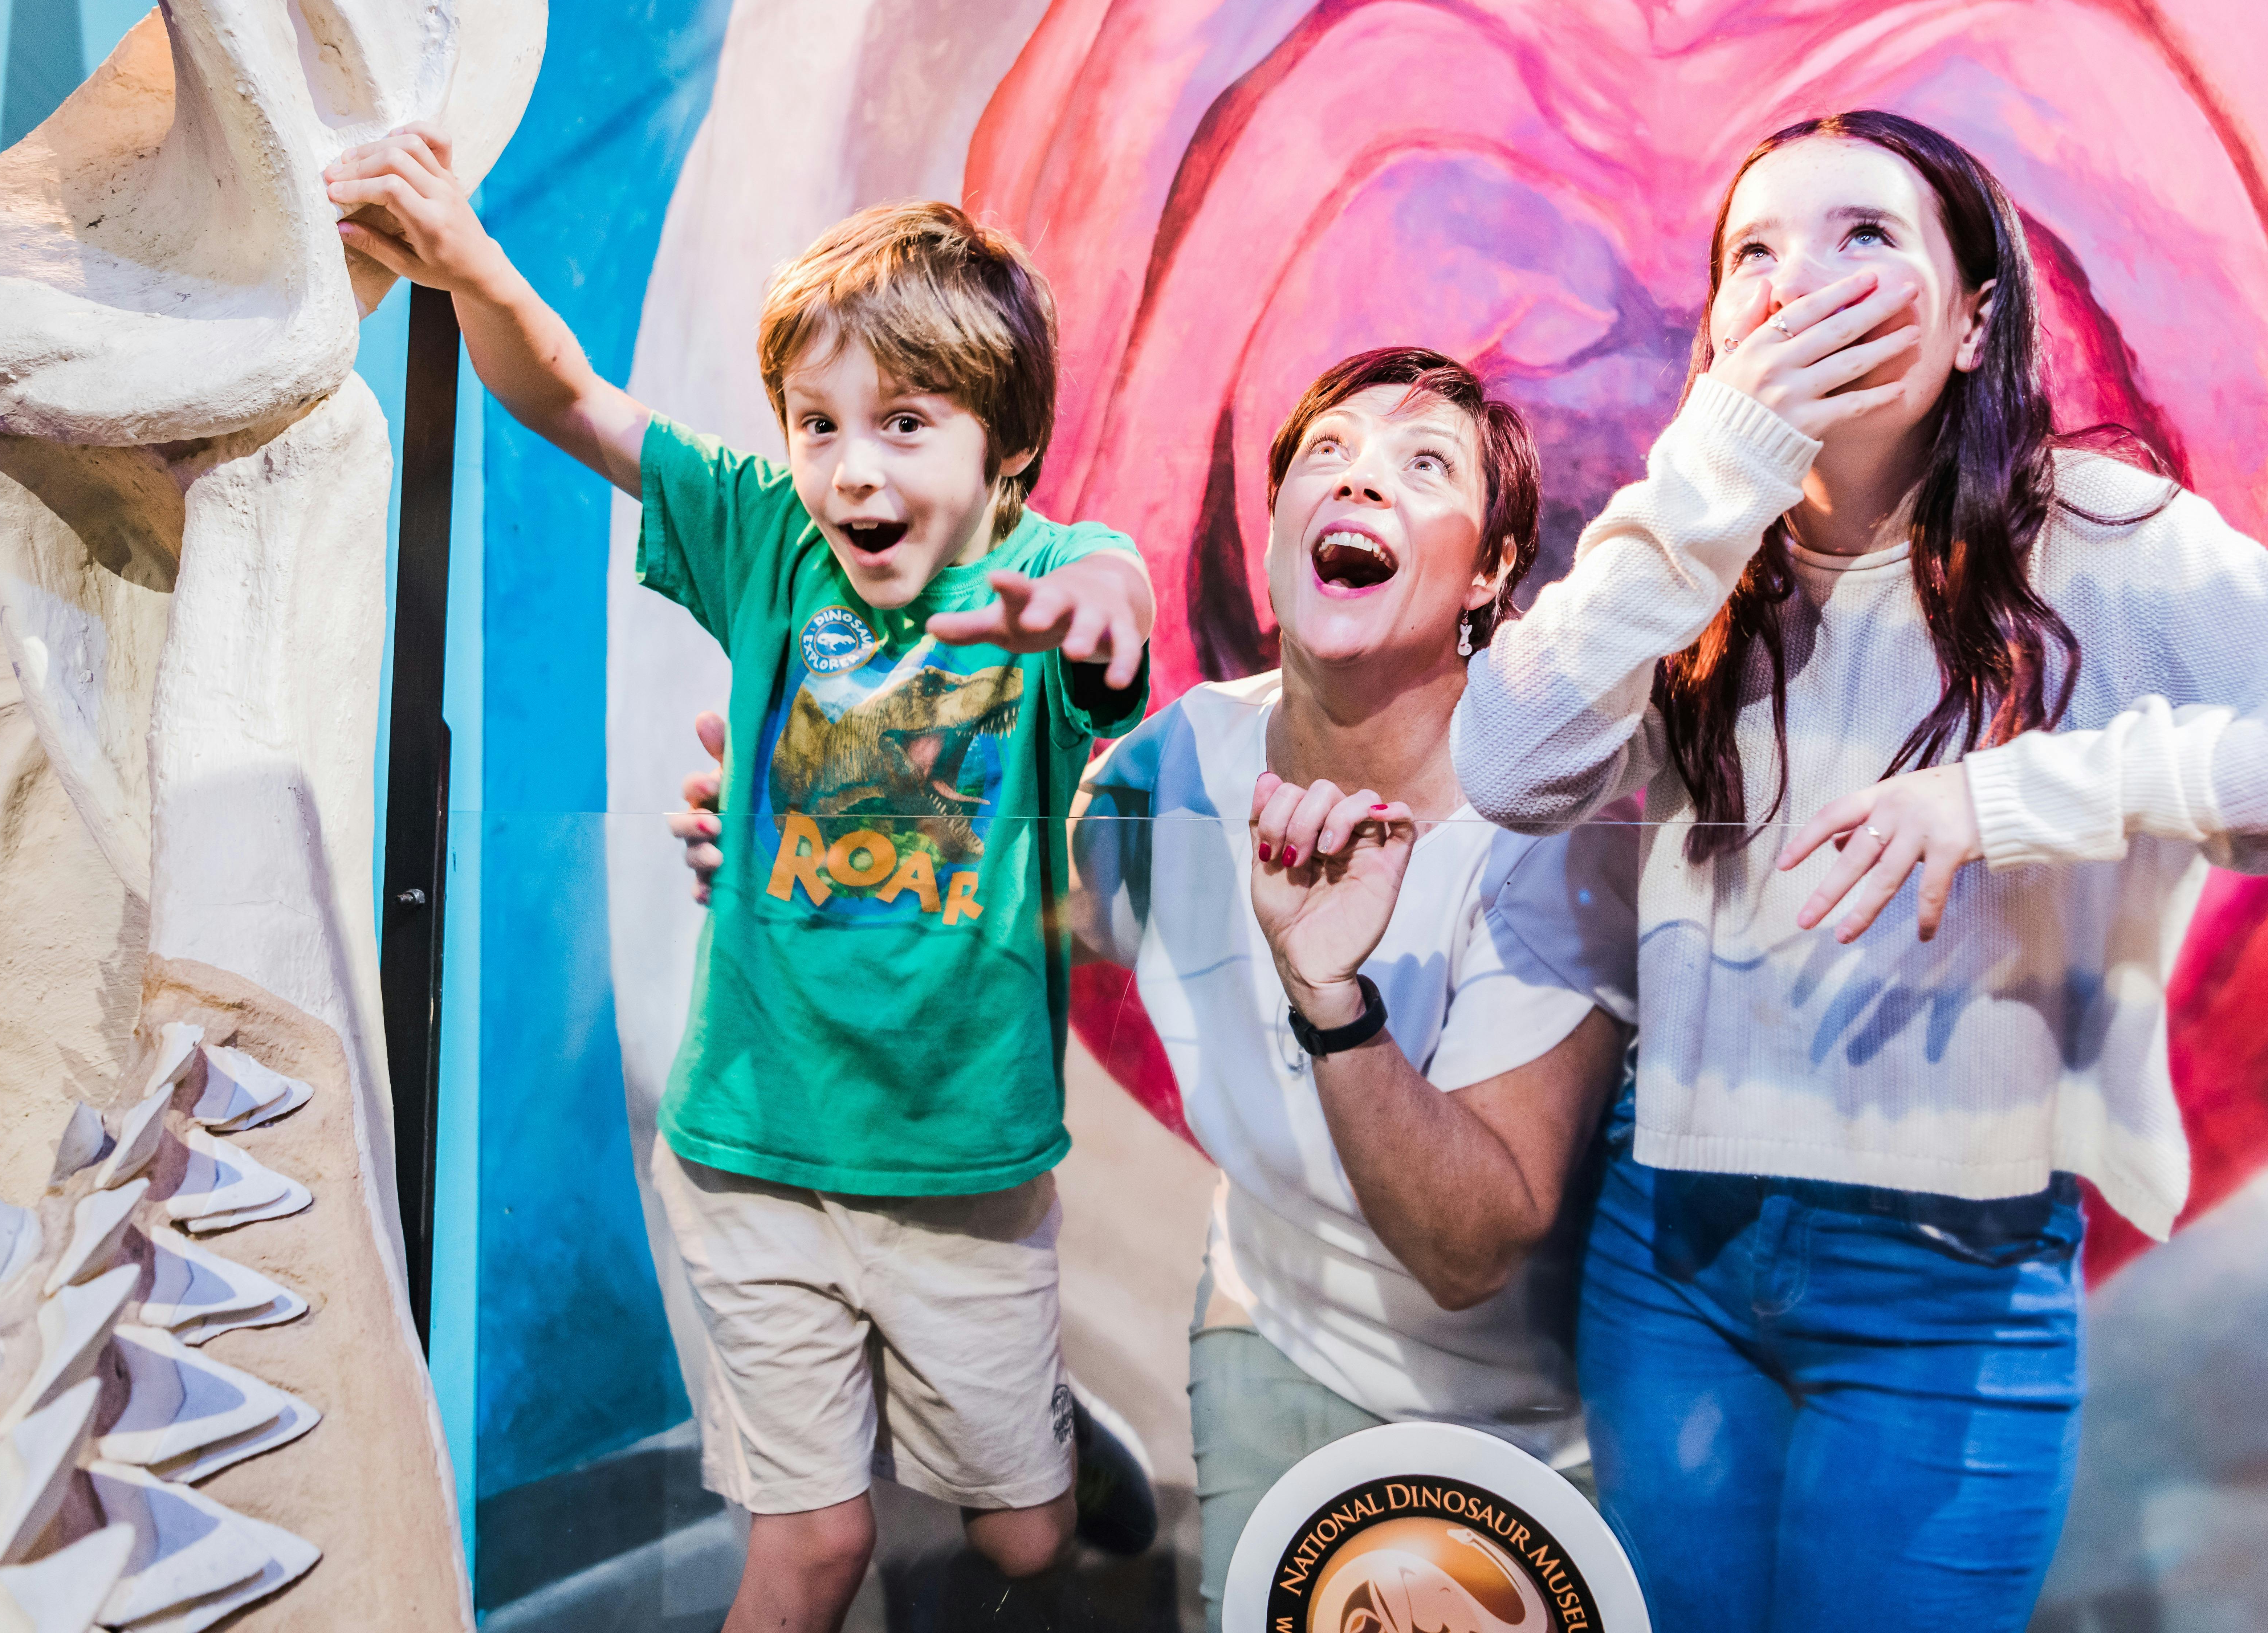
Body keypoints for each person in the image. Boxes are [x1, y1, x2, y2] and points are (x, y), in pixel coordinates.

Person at [1449, 111, 2268, 1632]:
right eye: (1756, 252)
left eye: (1865, 238)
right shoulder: (1683, 557)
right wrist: (1711, 478)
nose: (1802, 283)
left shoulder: (2101, 539)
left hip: (1949, 1280)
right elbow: (1509, 766)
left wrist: (2011, 796)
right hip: (1672, 1249)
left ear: (1971, 321)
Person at [325, 132, 1156, 1633]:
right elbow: (573, 399)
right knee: (814, 1546)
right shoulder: (772, 539)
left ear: (1006, 449)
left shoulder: (1047, 571)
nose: (853, 468)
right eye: (817, 424)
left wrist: (1096, 611)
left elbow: (1116, 594)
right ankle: (926, 1417)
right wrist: (467, 267)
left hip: (958, 1169)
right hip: (753, 1150)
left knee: (1027, 1542)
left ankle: (1028, 1424)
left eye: (905, 423)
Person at [674, 347, 1636, 1620]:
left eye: (1424, 466)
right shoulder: (1185, 755)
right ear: (1275, 528)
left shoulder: (1548, 829)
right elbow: (1010, 912)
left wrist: (1332, 1002)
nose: (1361, 483)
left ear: (1493, 571)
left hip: (1520, 1427)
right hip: (1270, 1329)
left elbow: (1469, 1253)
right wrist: (802, 845)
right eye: (1329, 456)